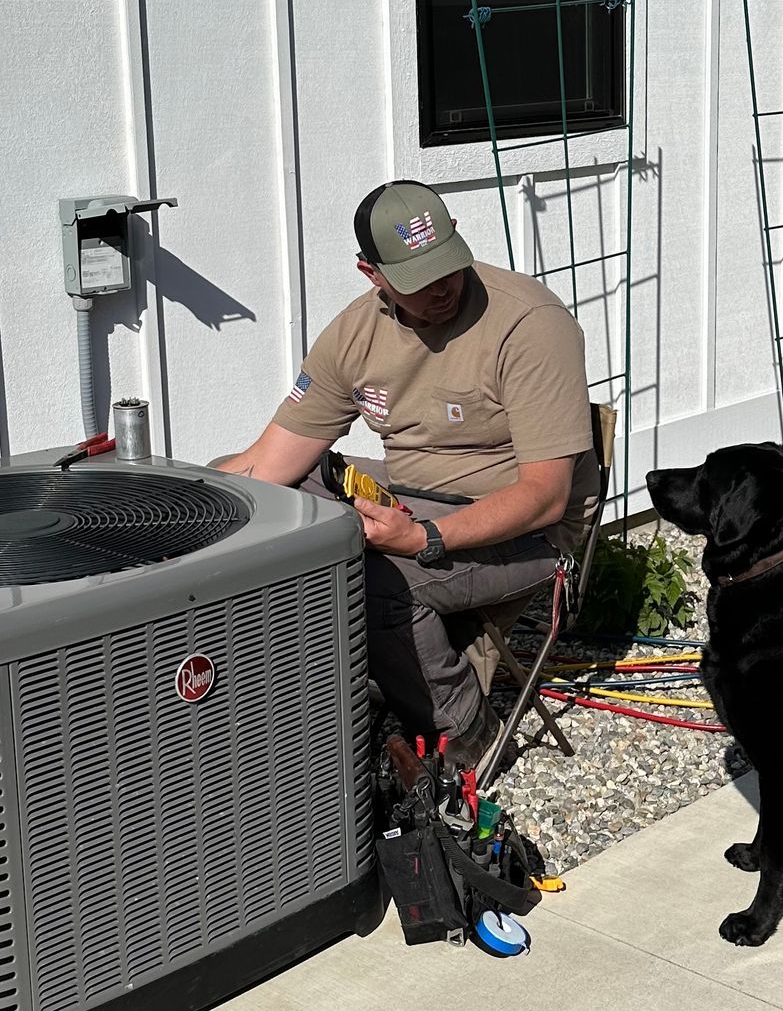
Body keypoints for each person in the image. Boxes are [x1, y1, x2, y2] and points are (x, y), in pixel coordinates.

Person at [218, 180, 595, 769]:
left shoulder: (528, 322)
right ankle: (309, 704)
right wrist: (190, 502)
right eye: (419, 280)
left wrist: (423, 539)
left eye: (448, 266)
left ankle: (466, 737)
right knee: (287, 491)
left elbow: (547, 496)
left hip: (523, 527)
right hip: (414, 496)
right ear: (372, 274)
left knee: (369, 580)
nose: (443, 288)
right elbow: (267, 462)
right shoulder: (354, 334)